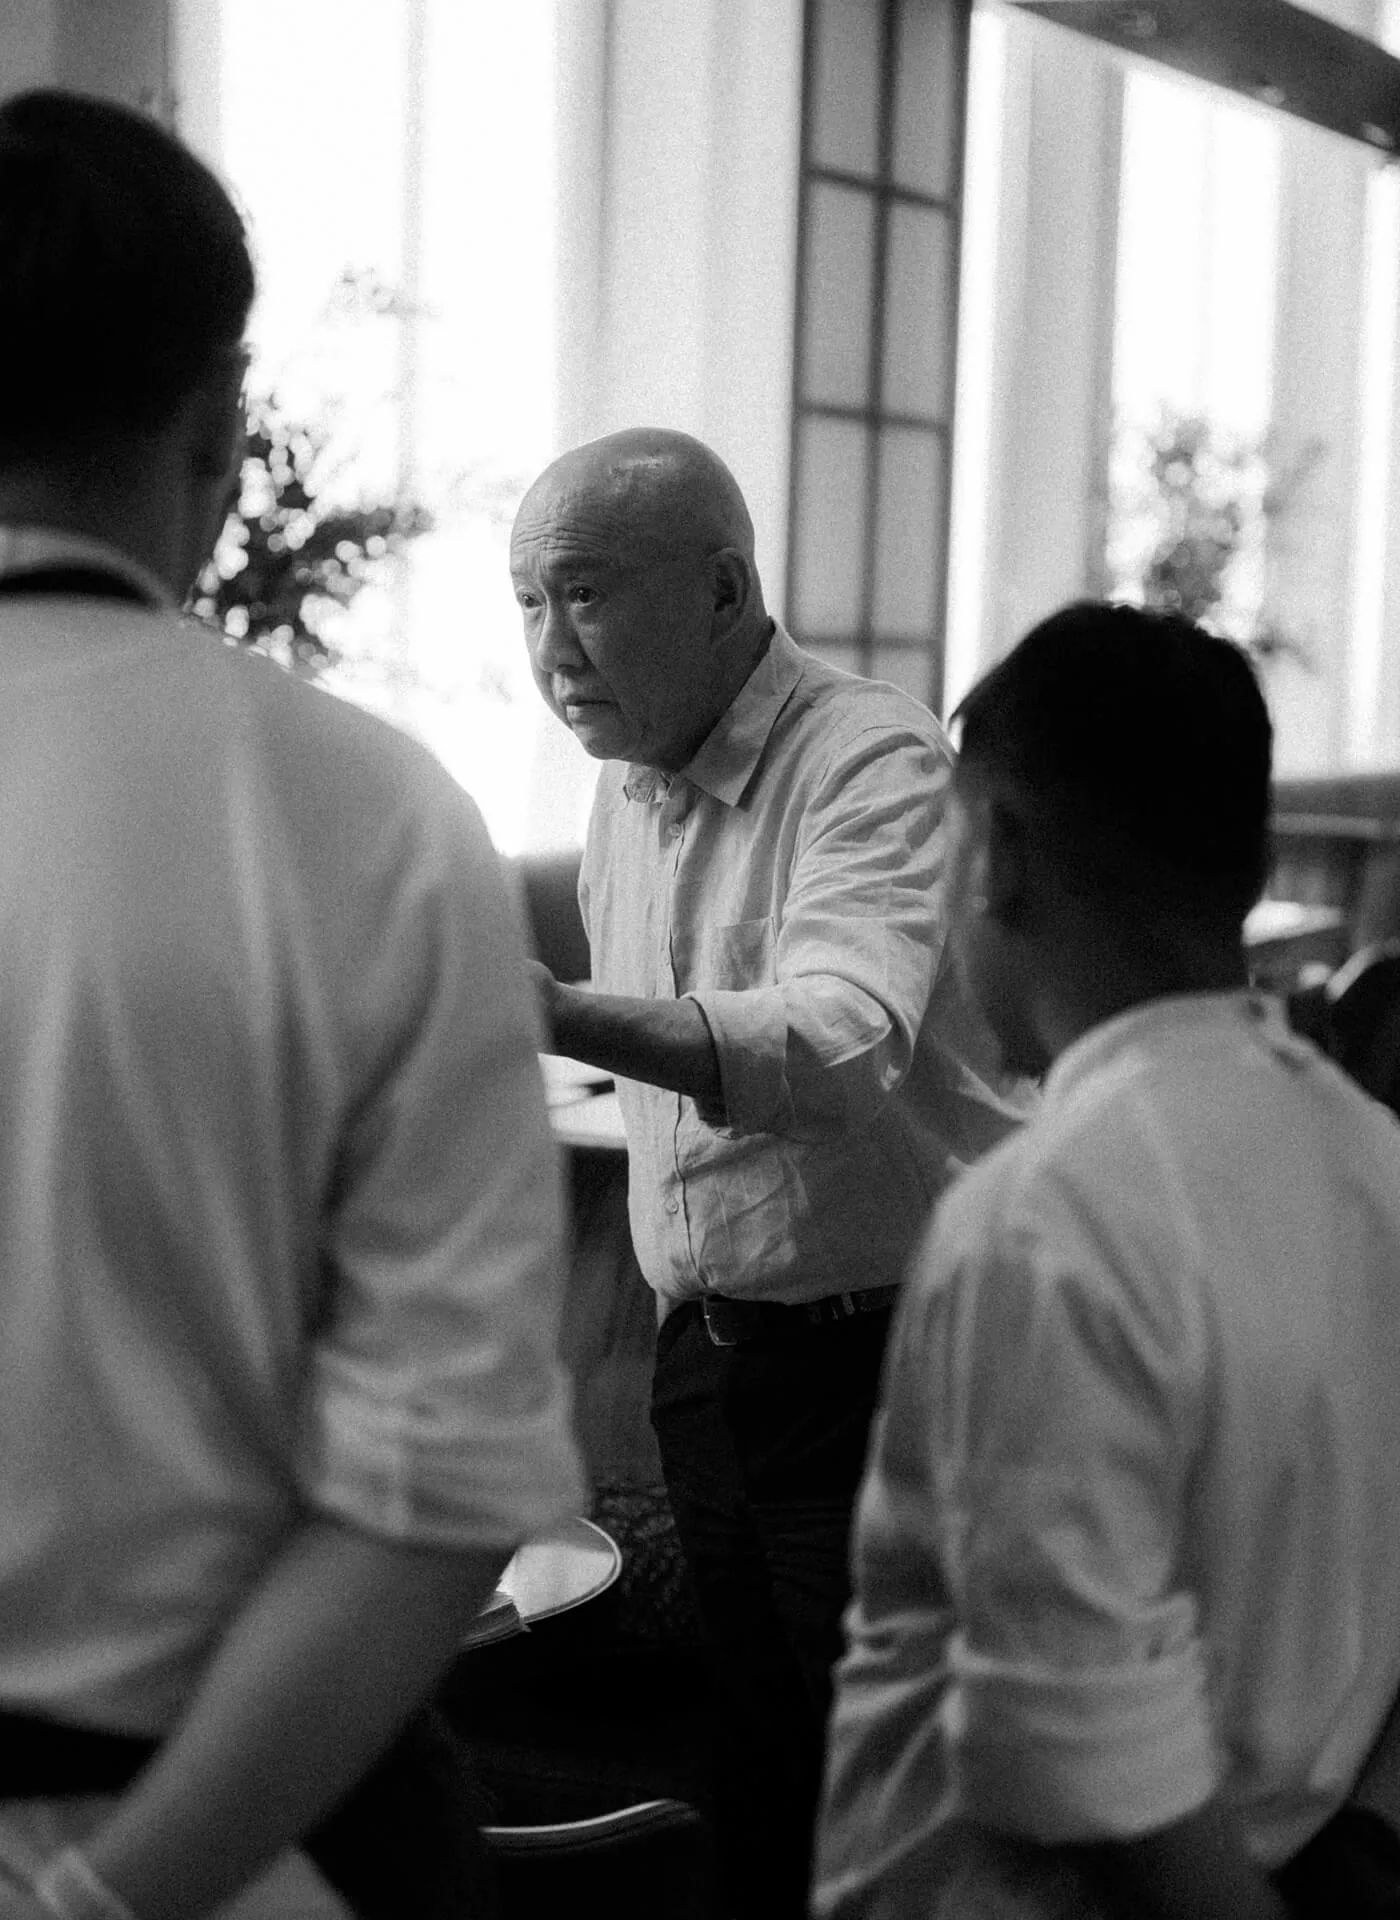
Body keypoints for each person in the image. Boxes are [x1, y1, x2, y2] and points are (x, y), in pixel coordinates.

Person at [0, 89, 583, 1920]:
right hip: (242, 1842)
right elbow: (437, 1491)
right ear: (220, 427)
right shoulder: (371, 816)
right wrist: (108, 1900)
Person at [814, 601, 1400, 1920]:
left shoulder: (1040, 1219)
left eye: (949, 842)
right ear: (1250, 864)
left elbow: (1083, 1768)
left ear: (1002, 854)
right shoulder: (1371, 1153)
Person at [512, 427, 1024, 1919]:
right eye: (528, 604)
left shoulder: (866, 753)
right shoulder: (625, 787)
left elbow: (842, 1040)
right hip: (704, 1355)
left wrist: (551, 1016)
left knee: (880, 1785)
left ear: (728, 591)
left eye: (588, 596)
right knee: (751, 1752)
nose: (553, 646)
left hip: (877, 1357)